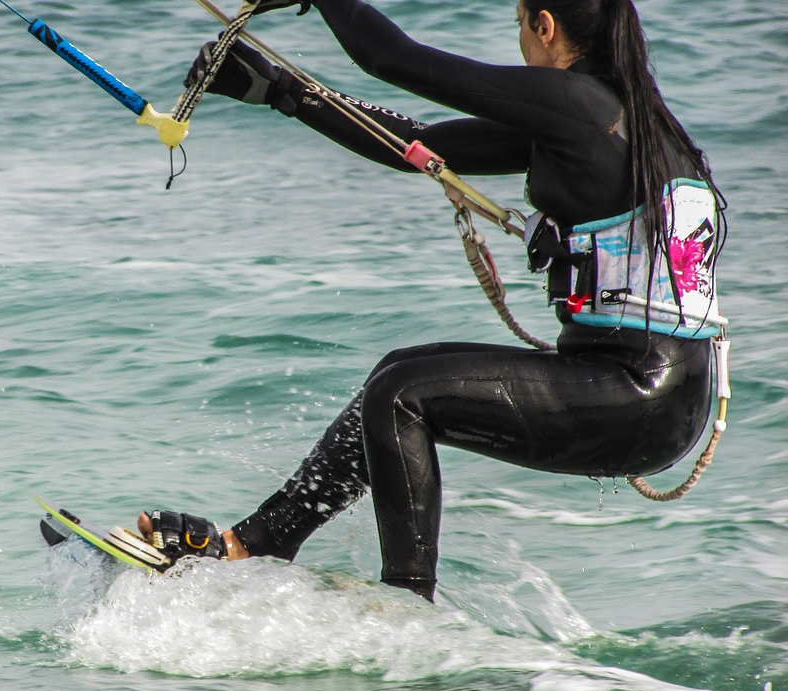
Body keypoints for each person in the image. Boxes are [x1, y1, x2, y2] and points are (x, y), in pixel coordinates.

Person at [135, 0, 726, 602]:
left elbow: (393, 60)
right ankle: (261, 540)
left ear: (544, 25)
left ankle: (407, 606)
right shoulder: (615, 118)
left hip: (637, 391)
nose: (519, 38)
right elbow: (419, 144)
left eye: (518, 22)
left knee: (402, 396)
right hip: (660, 391)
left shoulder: (577, 104)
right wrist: (284, 92)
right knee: (393, 376)